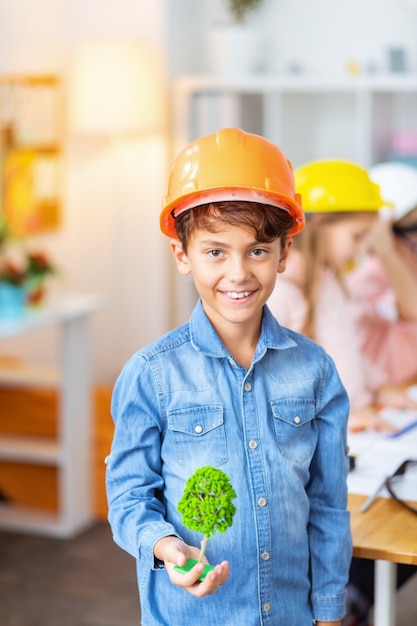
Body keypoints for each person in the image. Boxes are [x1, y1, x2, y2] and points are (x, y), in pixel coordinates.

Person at [106, 128, 352, 626]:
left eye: (257, 251)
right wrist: (167, 547)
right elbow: (129, 496)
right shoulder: (151, 374)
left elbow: (328, 508)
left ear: (284, 253)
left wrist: (328, 613)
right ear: (182, 255)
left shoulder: (316, 371)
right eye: (215, 251)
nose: (238, 273)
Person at [268, 159, 417, 433]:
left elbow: (345, 348)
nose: (362, 249)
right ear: (319, 225)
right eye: (357, 236)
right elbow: (273, 386)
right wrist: (332, 418)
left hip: (355, 421)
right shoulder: (279, 292)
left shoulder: (329, 281)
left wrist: (381, 386)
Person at [346, 162, 417, 386]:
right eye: (413, 229)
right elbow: (411, 309)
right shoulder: (366, 278)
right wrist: (384, 250)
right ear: (384, 233)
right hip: (381, 403)